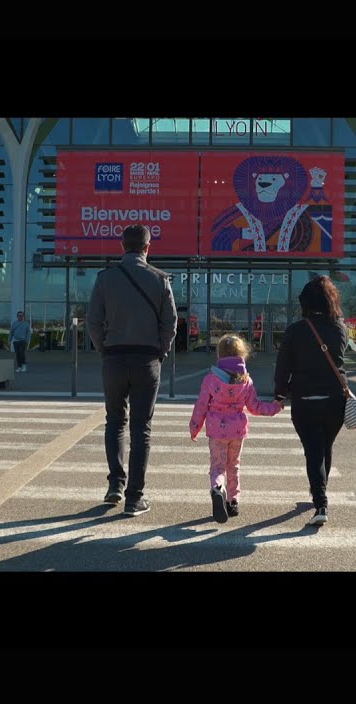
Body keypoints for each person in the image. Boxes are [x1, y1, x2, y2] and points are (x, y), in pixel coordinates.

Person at [87, 223, 178, 517]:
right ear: (148, 247)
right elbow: (171, 323)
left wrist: (104, 349)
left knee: (114, 421)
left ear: (121, 246)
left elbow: (92, 321)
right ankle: (134, 498)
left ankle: (115, 484)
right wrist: (159, 351)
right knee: (142, 428)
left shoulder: (105, 279)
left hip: (113, 359)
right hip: (146, 361)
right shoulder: (160, 280)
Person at [273, 276, 349, 527]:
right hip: (335, 400)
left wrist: (279, 393)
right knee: (325, 447)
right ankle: (319, 493)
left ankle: (320, 502)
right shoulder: (341, 328)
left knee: (314, 451)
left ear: (305, 302)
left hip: (305, 400)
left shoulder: (296, 330)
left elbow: (283, 365)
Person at [189, 334, 283, 523]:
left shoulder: (211, 379)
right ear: (242, 355)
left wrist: (194, 428)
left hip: (216, 432)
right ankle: (233, 502)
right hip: (237, 432)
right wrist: (275, 406)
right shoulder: (245, 381)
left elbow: (201, 406)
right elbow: (255, 407)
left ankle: (217, 489)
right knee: (233, 465)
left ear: (220, 355)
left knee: (217, 467)